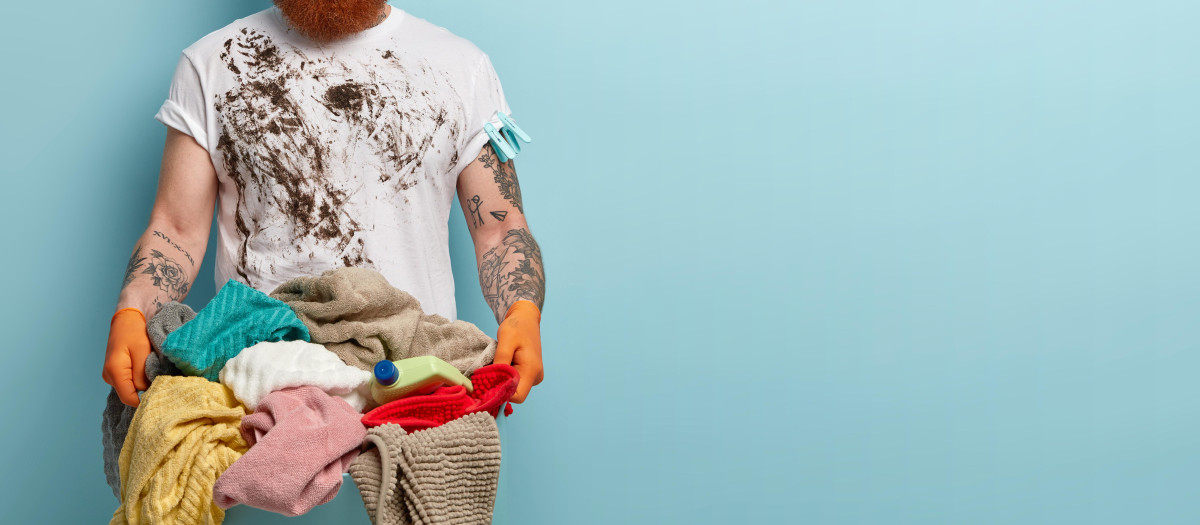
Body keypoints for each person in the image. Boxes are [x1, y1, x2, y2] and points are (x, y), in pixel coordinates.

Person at [101, 0, 545, 408]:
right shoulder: (209, 64)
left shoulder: (463, 68)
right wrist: (134, 310)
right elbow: (176, 229)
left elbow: (499, 226)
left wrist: (521, 312)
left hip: (416, 379)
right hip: (257, 389)